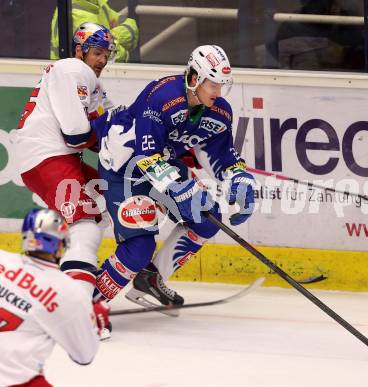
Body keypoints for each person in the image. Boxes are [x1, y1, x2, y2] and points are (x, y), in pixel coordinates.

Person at [90, 45, 256, 307]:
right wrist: (178, 186)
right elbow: (146, 155)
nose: (218, 92)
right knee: (139, 247)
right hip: (124, 168)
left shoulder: (218, 111)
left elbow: (221, 155)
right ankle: (85, 305)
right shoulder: (162, 95)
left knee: (207, 220)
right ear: (194, 78)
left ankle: (150, 279)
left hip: (163, 163)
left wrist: (240, 178)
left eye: (222, 85)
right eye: (213, 84)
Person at [12, 22, 116, 299]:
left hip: (56, 158)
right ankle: (80, 305)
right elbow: (77, 134)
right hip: (48, 156)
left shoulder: (87, 79)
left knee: (112, 200)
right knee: (84, 224)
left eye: (106, 54)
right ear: (80, 51)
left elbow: (109, 124)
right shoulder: (73, 69)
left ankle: (40, 275)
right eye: (97, 52)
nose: (102, 60)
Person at [0, 208, 109, 387]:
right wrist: (95, 324)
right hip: (15, 380)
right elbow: (84, 356)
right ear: (63, 243)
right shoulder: (70, 293)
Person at [50, 0, 139, 62]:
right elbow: (107, 56)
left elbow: (131, 27)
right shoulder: (73, 13)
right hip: (76, 80)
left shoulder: (99, 5)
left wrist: (110, 36)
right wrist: (124, 52)